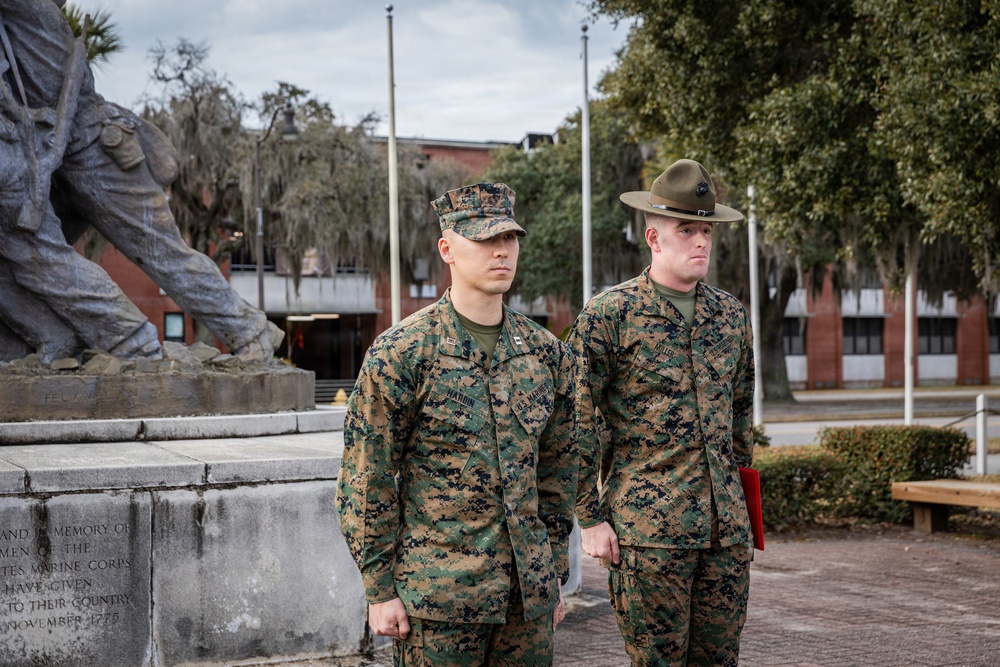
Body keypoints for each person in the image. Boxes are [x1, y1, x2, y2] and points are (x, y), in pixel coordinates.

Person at [337, 183, 580, 666]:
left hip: (524, 599)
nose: (501, 252)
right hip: (439, 599)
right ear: (447, 249)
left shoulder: (547, 354)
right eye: (485, 240)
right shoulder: (403, 353)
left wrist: (552, 569)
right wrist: (379, 588)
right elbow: (368, 477)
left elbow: (557, 472)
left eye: (509, 239)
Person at [0, 0, 280, 361]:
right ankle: (58, 341)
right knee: (22, 259)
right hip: (45, 153)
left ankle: (250, 331)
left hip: (89, 142)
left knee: (159, 250)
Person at [569, 159, 755, 666]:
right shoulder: (611, 315)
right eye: (686, 230)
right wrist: (589, 518)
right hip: (649, 534)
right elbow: (578, 421)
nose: (701, 242)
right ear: (654, 238)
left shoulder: (731, 315)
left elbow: (740, 414)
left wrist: (742, 503)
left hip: (725, 535)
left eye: (706, 230)